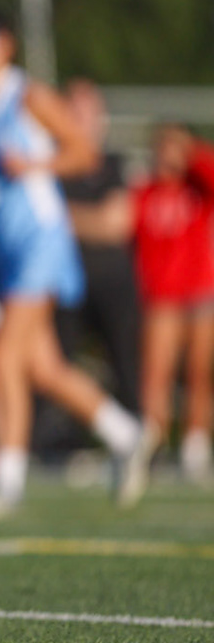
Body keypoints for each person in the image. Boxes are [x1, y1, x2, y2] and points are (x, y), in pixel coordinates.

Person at [0, 7, 145, 517]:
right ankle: (127, 435)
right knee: (44, 368)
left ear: (4, 44)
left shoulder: (26, 96)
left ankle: (6, 482)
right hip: (0, 251)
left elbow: (83, 153)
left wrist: (35, 163)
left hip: (40, 240)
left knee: (2, 358)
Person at [128, 123, 214, 488]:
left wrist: (191, 152)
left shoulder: (198, 187)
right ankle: (154, 444)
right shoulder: (144, 192)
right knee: (157, 374)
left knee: (198, 372)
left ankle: (195, 446)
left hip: (199, 291)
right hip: (162, 296)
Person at [57, 79, 142, 422]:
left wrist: (66, 217)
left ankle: (136, 431)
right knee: (56, 365)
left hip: (111, 283)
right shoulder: (52, 165)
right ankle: (55, 440)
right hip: (64, 282)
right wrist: (90, 219)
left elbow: (116, 223)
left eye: (88, 113)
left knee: (126, 362)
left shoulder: (113, 164)